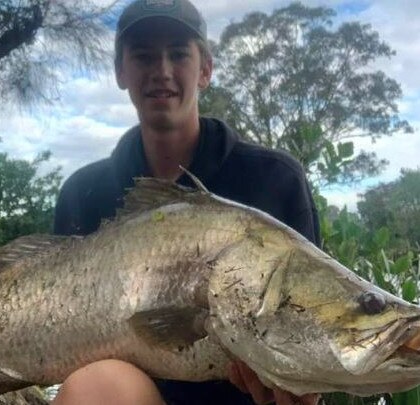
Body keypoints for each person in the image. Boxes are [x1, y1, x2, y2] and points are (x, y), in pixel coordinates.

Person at [51, 1, 321, 404]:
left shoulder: (277, 180)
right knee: (95, 385)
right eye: (144, 56)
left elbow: (310, 320)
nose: (162, 71)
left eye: (178, 54)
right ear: (120, 72)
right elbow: (52, 328)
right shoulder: (82, 193)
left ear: (205, 69)